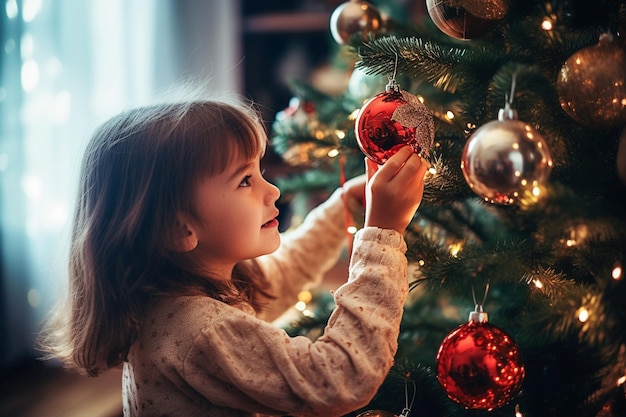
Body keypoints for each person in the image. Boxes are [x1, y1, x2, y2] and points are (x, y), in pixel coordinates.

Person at [38, 96, 428, 417]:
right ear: (180, 229)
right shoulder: (198, 329)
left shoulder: (197, 283)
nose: (272, 190)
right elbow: (340, 377)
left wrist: (340, 207)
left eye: (259, 171)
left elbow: (282, 274)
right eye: (245, 180)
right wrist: (382, 234)